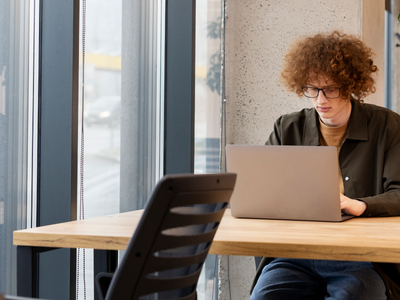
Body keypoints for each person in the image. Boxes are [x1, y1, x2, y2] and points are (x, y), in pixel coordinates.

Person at [250, 31, 400, 300]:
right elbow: (262, 192)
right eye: (312, 88)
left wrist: (362, 205)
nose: (320, 100)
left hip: (360, 257)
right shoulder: (288, 128)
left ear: (351, 84)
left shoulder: (387, 126)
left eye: (331, 89)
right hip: (295, 255)